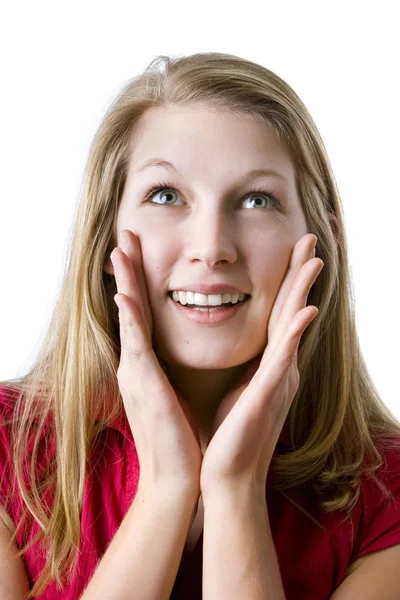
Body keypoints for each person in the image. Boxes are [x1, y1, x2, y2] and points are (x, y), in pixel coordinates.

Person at [1, 52, 400, 600]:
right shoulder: (8, 450)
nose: (211, 248)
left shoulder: (389, 493)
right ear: (105, 237)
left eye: (257, 200)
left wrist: (235, 488)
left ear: (321, 241)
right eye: (165, 196)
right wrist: (167, 488)